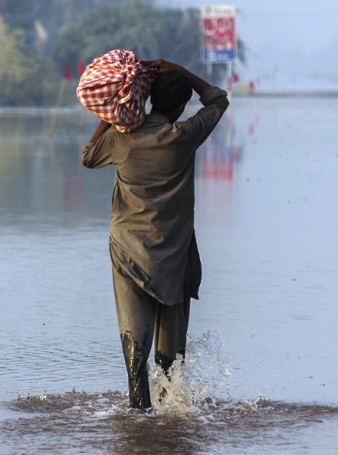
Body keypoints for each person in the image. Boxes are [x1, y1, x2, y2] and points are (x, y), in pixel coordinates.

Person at [81, 58, 229, 412]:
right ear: (178, 108)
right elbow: (218, 100)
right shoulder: (182, 136)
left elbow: (87, 157)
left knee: (135, 343)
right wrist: (180, 69)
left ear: (148, 101)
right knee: (168, 356)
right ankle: (168, 417)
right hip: (174, 254)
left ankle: (138, 413)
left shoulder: (121, 140)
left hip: (128, 250)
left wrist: (113, 115)